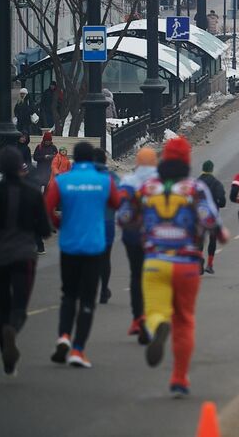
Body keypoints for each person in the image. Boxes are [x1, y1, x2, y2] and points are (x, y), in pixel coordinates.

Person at [116, 137, 224, 397]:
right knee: (185, 320)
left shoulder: (148, 188)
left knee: (155, 311)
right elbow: (210, 218)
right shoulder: (194, 188)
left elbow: (124, 216)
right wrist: (220, 233)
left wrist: (141, 226)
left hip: (155, 261)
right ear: (187, 161)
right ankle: (179, 378)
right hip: (187, 264)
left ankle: (157, 325)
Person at [45, 141, 123, 368]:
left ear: (74, 159)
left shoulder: (62, 181)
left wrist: (60, 222)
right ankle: (78, 349)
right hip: (94, 246)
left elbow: (47, 208)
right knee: (88, 298)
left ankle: (63, 337)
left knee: (68, 294)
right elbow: (117, 203)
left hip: (69, 245)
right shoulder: (104, 181)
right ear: (92, 159)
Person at [0, 147, 51, 376]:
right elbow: (44, 229)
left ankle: (7, 355)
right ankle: (12, 330)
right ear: (21, 167)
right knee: (19, 307)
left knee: (3, 305)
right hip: (23, 254)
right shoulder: (32, 193)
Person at [118, 147, 159, 344]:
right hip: (155, 237)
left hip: (132, 235)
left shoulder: (128, 181)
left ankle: (137, 318)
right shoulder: (161, 181)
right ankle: (152, 315)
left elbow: (121, 210)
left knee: (136, 275)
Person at [93, 148, 118, 305]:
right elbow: (119, 199)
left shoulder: (85, 178)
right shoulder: (112, 178)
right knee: (105, 258)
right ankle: (104, 290)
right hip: (108, 222)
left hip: (89, 223)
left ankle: (89, 289)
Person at [197, 160, 226, 275]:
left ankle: (199, 260)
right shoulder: (216, 183)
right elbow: (222, 201)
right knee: (212, 239)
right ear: (212, 169)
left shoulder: (196, 182)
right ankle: (209, 264)